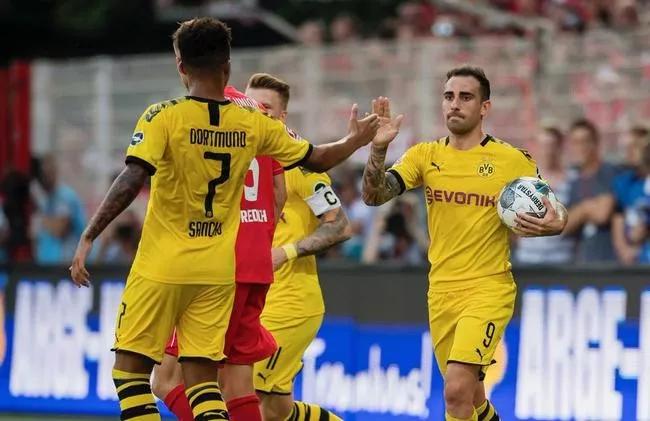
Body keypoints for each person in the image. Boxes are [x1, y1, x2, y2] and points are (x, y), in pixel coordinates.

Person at [69, 17, 380, 421]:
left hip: (164, 265)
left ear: (181, 66)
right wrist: (355, 140)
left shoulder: (163, 116)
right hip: (219, 271)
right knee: (208, 386)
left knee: (132, 377)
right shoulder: (254, 124)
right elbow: (314, 160)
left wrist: (89, 235)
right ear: (227, 67)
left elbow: (132, 179)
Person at [361, 66, 567, 421]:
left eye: (466, 97)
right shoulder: (424, 156)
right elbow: (374, 195)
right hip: (441, 291)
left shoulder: (511, 160)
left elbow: (555, 211)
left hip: (488, 289)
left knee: (455, 391)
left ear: (485, 107)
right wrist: (378, 150)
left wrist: (556, 223)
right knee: (471, 398)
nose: (455, 104)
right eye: (449, 96)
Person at [151, 86, 287, 421]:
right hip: (256, 263)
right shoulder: (259, 117)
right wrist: (259, 235)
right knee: (237, 385)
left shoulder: (201, 112)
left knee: (166, 380)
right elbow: (279, 194)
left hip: (216, 264)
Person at [245, 73, 352, 421]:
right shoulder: (237, 153)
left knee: (244, 395)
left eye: (265, 108)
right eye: (249, 106)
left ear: (282, 116)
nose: (256, 114)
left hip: (289, 304)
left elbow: (339, 225)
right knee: (277, 410)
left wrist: (286, 252)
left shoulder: (299, 163)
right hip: (251, 299)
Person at [514, 126, 573, 264]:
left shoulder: (572, 180)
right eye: (543, 145)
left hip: (562, 258)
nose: (548, 151)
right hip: (528, 258)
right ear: (536, 147)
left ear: (560, 147)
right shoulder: (524, 181)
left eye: (552, 145)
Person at [562, 119, 618, 263]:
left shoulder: (608, 172)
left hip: (608, 261)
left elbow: (602, 214)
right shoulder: (574, 180)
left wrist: (579, 212)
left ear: (595, 143)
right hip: (582, 262)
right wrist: (587, 208)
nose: (580, 148)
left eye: (585, 141)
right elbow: (564, 226)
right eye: (575, 142)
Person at [32, 154, 86, 264]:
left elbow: (59, 230)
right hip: (46, 262)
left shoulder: (65, 196)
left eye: (47, 173)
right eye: (42, 174)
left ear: (54, 172)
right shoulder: (46, 198)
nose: (44, 178)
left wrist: (40, 219)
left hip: (66, 263)